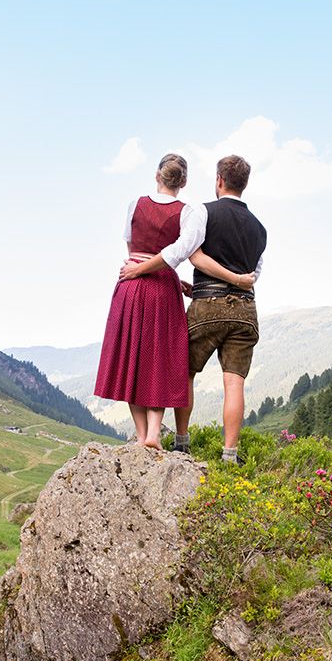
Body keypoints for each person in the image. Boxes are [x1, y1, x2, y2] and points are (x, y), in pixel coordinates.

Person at [94, 154, 249, 448]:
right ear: (184, 182)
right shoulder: (187, 212)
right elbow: (176, 253)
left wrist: (139, 268)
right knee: (158, 360)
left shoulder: (135, 205)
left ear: (157, 176)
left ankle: (141, 436)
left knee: (132, 359)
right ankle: (154, 433)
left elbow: (134, 250)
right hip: (163, 289)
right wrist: (174, 280)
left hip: (131, 284)